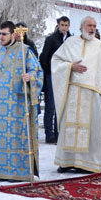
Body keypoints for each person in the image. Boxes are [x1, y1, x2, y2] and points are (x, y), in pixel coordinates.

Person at [52, 15, 101, 174]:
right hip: (73, 91)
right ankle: (67, 162)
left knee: (92, 129)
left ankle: (89, 163)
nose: (92, 28)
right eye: (89, 25)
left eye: (94, 26)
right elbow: (55, 61)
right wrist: (70, 67)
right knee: (69, 127)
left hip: (93, 93)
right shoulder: (70, 42)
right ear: (81, 27)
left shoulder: (99, 46)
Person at [0, 22, 43, 181]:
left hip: (18, 103)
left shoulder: (25, 51)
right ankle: (1, 170)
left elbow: (37, 71)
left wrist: (30, 77)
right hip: (1, 104)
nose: (1, 37)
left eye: (4, 34)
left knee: (16, 137)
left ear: (13, 34)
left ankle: (19, 172)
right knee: (1, 137)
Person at [39, 16, 71, 144]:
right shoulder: (51, 39)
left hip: (65, 75)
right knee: (51, 105)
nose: (64, 28)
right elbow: (44, 57)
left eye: (66, 25)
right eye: (62, 25)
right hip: (52, 75)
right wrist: (48, 72)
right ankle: (49, 134)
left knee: (61, 106)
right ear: (58, 25)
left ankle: (59, 133)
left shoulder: (71, 39)